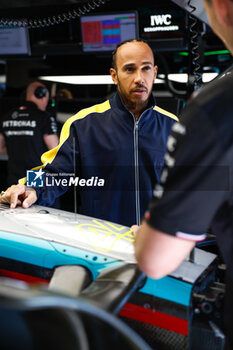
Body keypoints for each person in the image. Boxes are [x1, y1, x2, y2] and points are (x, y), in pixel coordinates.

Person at [132, 0, 233, 348]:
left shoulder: (215, 109)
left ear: (220, 8)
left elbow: (156, 259)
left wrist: (153, 232)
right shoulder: (85, 123)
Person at [0, 39, 178, 226]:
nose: (139, 78)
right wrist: (29, 186)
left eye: (146, 68)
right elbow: (55, 171)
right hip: (100, 245)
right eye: (129, 69)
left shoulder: (174, 126)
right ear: (114, 75)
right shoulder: (83, 124)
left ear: (155, 73)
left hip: (158, 244)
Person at [0, 81, 59, 185]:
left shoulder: (7, 117)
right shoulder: (44, 118)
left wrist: (17, 150)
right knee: (37, 200)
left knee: (16, 200)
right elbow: (55, 149)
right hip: (36, 175)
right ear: (42, 95)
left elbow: (0, 149)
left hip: (14, 176)